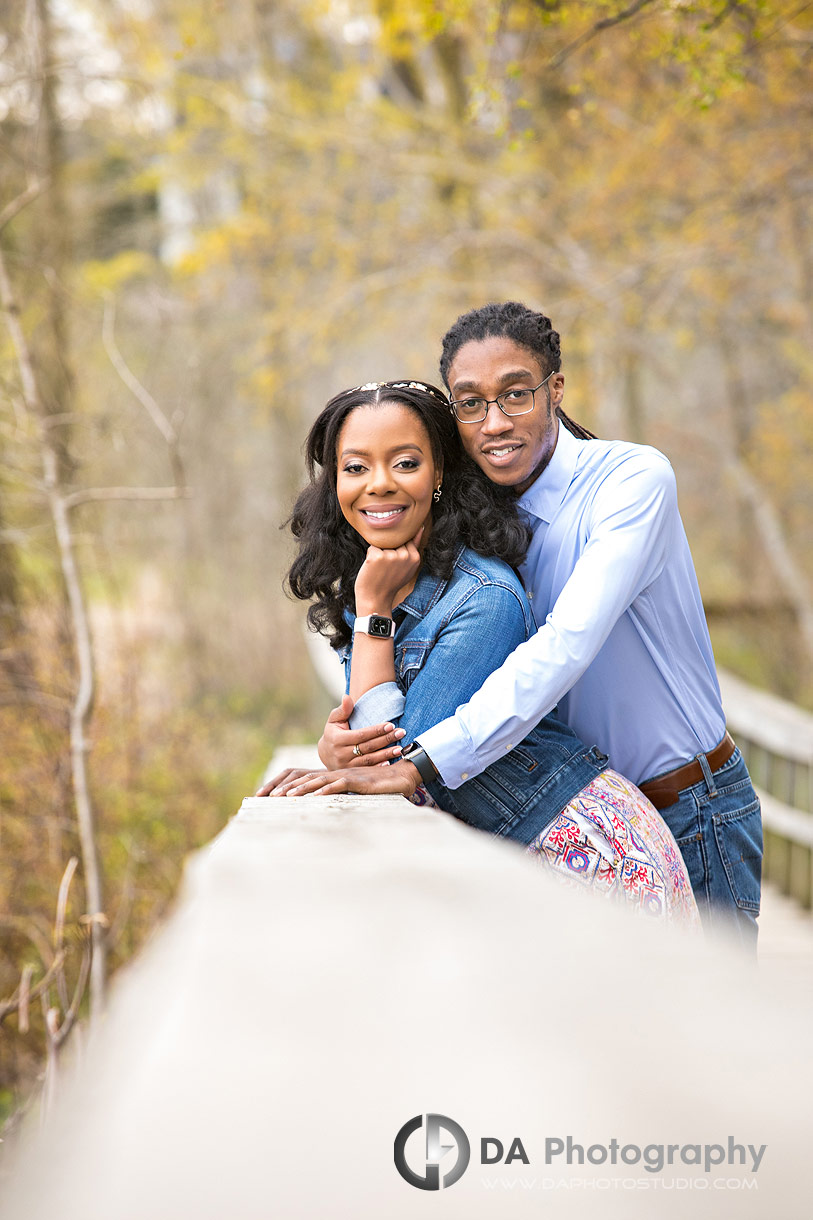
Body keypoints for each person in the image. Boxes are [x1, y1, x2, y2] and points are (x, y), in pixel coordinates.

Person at [314, 305, 763, 946]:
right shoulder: (473, 522)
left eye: (516, 395)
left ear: (555, 389)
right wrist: (346, 748)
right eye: (471, 404)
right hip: (561, 822)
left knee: (710, 1037)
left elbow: (566, 642)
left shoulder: (630, 482)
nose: (495, 423)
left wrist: (419, 762)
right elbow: (419, 675)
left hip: (687, 807)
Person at [260, 379, 699, 927]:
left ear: (438, 474)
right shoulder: (376, 578)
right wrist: (338, 752)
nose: (379, 485)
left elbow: (401, 767)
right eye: (355, 467)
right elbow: (370, 747)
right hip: (506, 865)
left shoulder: (484, 598)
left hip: (594, 858)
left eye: (405, 462)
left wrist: (372, 614)